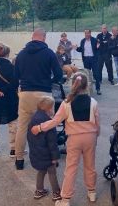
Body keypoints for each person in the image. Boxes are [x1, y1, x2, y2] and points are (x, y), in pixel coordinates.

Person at [31, 72, 100, 206]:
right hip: (90, 137)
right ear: (87, 86)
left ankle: (66, 199)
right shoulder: (93, 102)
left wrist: (39, 127)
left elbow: (55, 121)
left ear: (72, 84)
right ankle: (92, 192)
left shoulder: (66, 103)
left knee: (71, 168)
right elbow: (97, 123)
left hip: (74, 139)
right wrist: (95, 135)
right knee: (90, 166)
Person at [14, 28, 63, 170]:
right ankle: (51, 158)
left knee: (22, 127)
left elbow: (16, 75)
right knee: (49, 126)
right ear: (44, 38)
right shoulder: (49, 53)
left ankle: (19, 159)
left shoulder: (21, 54)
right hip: (44, 94)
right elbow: (59, 74)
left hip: (25, 93)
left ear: (32, 37)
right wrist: (49, 81)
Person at [27, 96, 62, 202]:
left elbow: (29, 136)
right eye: (53, 108)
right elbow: (52, 143)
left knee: (41, 171)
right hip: (47, 154)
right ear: (49, 109)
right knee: (52, 173)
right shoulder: (48, 123)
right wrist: (55, 157)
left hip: (36, 152)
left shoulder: (33, 118)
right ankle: (56, 193)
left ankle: (39, 190)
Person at [75, 30, 101, 94]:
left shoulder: (94, 40)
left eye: (87, 33)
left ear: (90, 33)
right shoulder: (83, 41)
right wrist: (76, 48)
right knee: (87, 75)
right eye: (85, 33)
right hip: (86, 59)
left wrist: (98, 47)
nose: (86, 34)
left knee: (96, 74)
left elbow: (98, 49)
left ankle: (98, 89)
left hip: (93, 59)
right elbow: (81, 49)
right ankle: (87, 89)